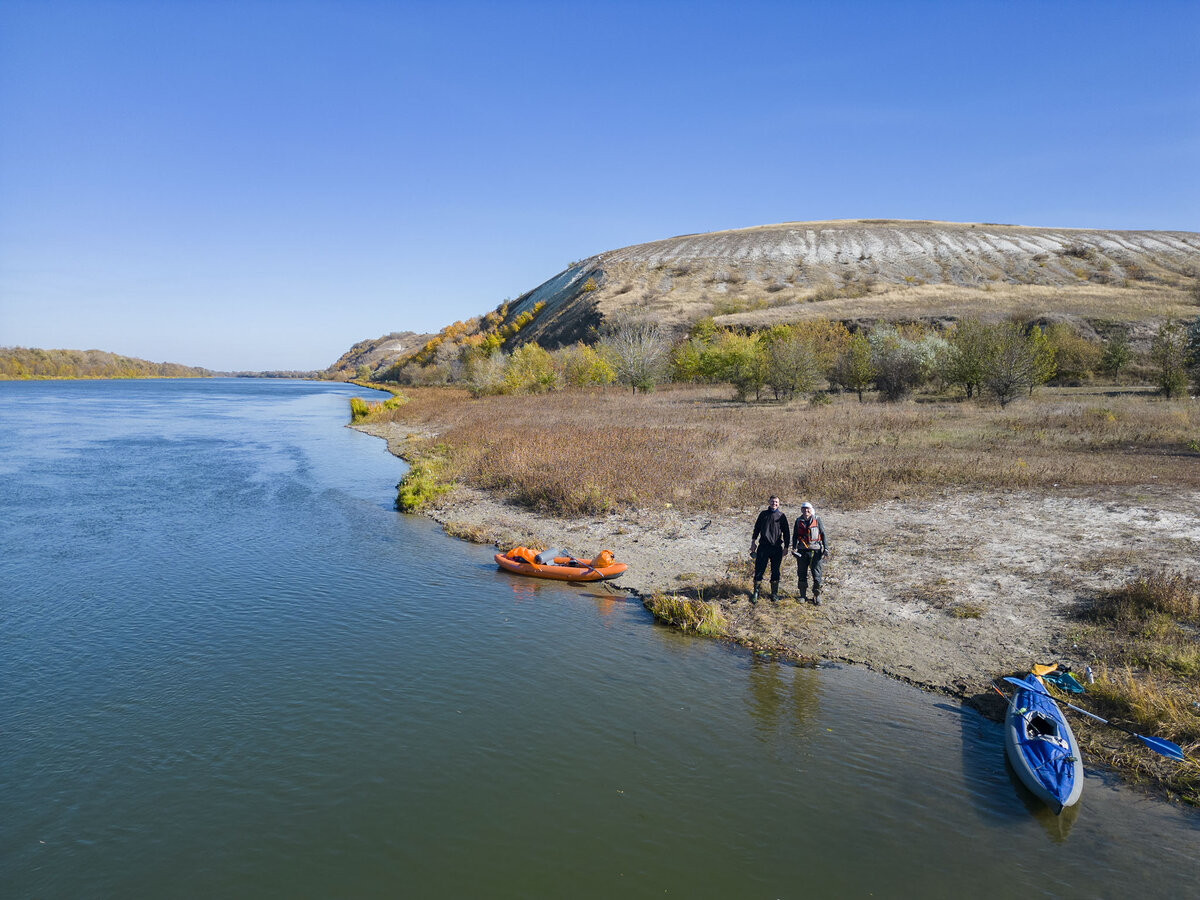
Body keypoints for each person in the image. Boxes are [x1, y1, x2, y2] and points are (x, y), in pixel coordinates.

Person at [749, 496, 789, 604]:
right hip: (763, 547)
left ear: (779, 504)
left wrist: (786, 547)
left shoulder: (782, 516)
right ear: (769, 502)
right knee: (759, 569)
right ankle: (756, 592)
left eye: (776, 502)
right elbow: (756, 528)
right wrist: (753, 542)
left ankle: (774, 594)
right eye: (772, 501)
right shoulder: (763, 514)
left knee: (775, 571)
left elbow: (786, 532)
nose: (774, 503)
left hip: (776, 548)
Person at [792, 501, 829, 604]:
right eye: (804, 509)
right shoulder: (798, 521)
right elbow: (795, 535)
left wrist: (826, 548)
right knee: (802, 573)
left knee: (817, 575)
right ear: (801, 510)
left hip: (816, 551)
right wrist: (794, 548)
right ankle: (803, 596)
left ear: (811, 509)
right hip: (802, 551)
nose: (806, 510)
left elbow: (823, 534)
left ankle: (817, 596)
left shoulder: (817, 519)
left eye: (808, 508)